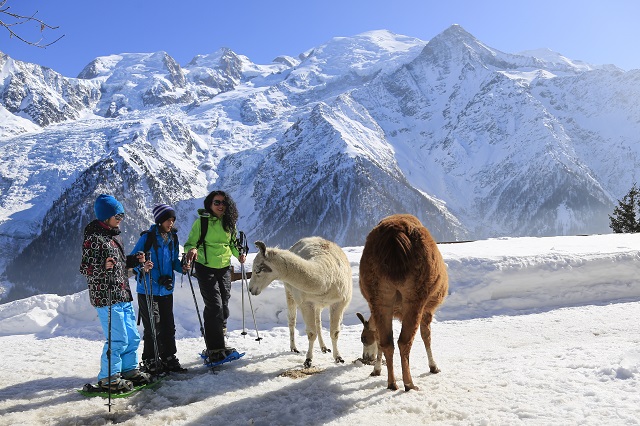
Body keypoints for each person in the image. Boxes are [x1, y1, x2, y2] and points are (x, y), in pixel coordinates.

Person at [79, 194, 154, 392]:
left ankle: (129, 370)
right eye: (117, 214)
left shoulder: (114, 236)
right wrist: (102, 266)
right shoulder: (94, 238)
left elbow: (118, 264)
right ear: (105, 216)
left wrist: (133, 260)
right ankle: (108, 378)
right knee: (117, 338)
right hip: (106, 295)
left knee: (132, 336)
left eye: (122, 214)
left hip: (122, 293)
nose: (121, 218)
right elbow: (85, 267)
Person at [183, 190, 246, 364]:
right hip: (205, 266)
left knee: (223, 304)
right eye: (216, 202)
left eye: (223, 203)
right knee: (214, 306)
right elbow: (190, 243)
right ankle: (215, 349)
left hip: (224, 267)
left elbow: (233, 244)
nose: (220, 206)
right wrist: (192, 250)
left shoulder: (229, 223)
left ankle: (219, 340)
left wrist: (239, 254)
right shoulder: (201, 222)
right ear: (209, 205)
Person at [130, 203, 186, 374]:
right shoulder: (147, 238)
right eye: (168, 220)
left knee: (168, 325)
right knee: (153, 326)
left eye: (173, 220)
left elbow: (174, 261)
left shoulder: (173, 239)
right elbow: (133, 262)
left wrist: (182, 266)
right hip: (148, 289)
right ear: (160, 220)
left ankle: (168, 357)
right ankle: (150, 359)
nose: (171, 223)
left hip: (166, 290)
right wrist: (143, 267)